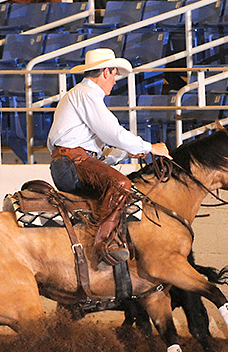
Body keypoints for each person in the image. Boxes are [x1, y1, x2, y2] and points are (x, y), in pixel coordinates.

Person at [47, 48, 171, 268]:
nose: (115, 81)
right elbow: (112, 133)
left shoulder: (80, 95)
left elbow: (100, 143)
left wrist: (124, 151)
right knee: (121, 184)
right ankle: (105, 246)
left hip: (70, 162)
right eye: (114, 74)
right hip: (72, 163)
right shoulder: (87, 95)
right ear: (105, 72)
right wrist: (150, 147)